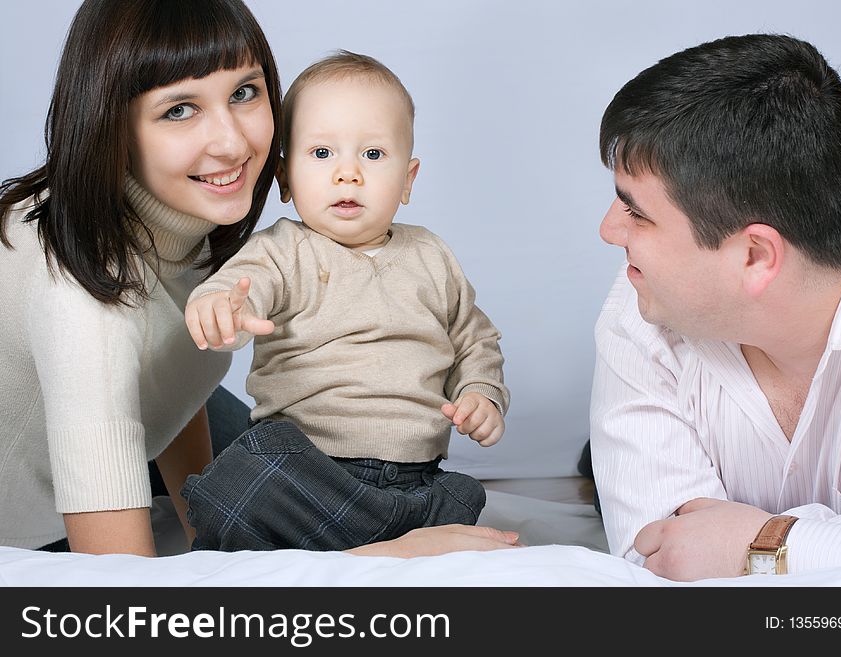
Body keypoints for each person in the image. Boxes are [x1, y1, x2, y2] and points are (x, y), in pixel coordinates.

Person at [0, 0, 519, 559]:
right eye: (179, 109)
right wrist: (378, 561)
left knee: (282, 464)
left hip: (150, 422)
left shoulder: (188, 215)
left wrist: (205, 542)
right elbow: (125, 596)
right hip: (25, 516)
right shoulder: (79, 305)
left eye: (244, 92)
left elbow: (172, 378)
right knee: (261, 472)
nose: (232, 142)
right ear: (110, 125)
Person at [181, 51, 510, 551]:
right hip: (308, 466)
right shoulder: (283, 249)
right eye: (321, 154)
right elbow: (245, 283)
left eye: (373, 155)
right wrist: (223, 305)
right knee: (241, 476)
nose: (348, 174)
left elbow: (474, 340)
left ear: (408, 180)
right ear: (286, 180)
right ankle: (377, 545)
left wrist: (482, 393)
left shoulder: (432, 256)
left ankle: (370, 534)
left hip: (412, 476)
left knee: (463, 497)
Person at [590, 33, 841, 580]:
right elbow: (665, 561)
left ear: (754, 255)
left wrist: (766, 542)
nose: (608, 230)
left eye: (639, 214)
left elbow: (715, 561)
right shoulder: (640, 311)